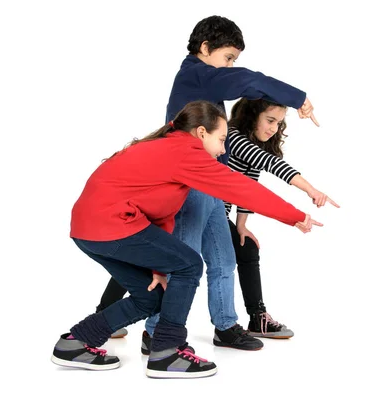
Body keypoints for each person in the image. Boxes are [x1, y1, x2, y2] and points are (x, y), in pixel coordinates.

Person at [95, 15, 320, 351]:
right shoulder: (197, 75)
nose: (230, 67)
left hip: (211, 185)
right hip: (193, 184)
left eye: (233, 60)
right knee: (181, 261)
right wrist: (297, 97)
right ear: (204, 48)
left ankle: (226, 326)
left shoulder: (203, 79)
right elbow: (248, 81)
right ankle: (157, 331)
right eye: (228, 57)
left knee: (223, 260)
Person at [51, 101, 321, 379]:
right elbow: (241, 188)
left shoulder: (169, 147)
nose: (223, 149)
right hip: (110, 224)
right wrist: (295, 215)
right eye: (221, 139)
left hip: (89, 229)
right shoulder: (186, 152)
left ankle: (75, 342)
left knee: (150, 297)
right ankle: (167, 351)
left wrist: (157, 267)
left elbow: (158, 214)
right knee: (190, 265)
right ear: (201, 132)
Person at [225, 98, 339, 338]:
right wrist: (312, 190)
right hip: (197, 211)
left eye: (278, 123)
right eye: (269, 120)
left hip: (216, 214)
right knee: (162, 263)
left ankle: (258, 318)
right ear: (251, 115)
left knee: (247, 249)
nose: (273, 128)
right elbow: (269, 163)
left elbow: (249, 186)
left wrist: (241, 225)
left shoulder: (254, 145)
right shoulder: (232, 136)